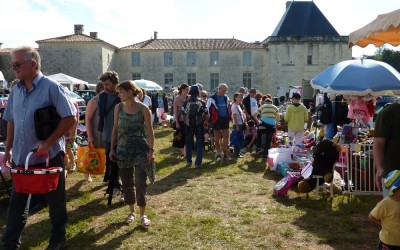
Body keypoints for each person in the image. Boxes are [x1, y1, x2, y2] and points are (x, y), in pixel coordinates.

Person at [2, 46, 76, 249]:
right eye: (12, 65)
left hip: (49, 158)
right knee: (18, 201)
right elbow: (11, 121)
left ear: (32, 64)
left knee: (55, 202)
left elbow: (70, 117)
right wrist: (8, 150)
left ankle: (58, 239)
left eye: (17, 65)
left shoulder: (52, 87)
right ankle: (10, 243)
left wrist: (48, 142)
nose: (13, 69)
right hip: (20, 157)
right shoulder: (15, 90)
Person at [109, 80, 154, 227]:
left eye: (121, 92)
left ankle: (143, 214)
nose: (119, 95)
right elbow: (115, 128)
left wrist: (151, 150)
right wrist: (112, 149)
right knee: (128, 183)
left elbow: (150, 131)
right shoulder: (118, 108)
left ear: (129, 92)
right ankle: (131, 211)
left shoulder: (143, 109)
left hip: (140, 149)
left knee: (141, 182)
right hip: (123, 150)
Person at [98, 71, 122, 199]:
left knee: (119, 162)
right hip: (107, 134)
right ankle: (115, 187)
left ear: (115, 83)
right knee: (111, 161)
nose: (105, 87)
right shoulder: (102, 97)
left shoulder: (123, 95)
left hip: (121, 134)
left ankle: (116, 187)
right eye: (103, 85)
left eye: (107, 84)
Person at [373, 100, 400, 197]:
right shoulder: (388, 113)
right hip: (395, 178)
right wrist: (379, 168)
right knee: (393, 211)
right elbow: (378, 144)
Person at [368, 170, 400, 249]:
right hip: (387, 242)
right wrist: (383, 224)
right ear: (396, 189)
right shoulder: (385, 204)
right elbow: (371, 216)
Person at [181, 85, 208, 168]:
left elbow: (183, 114)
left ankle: (189, 161)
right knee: (199, 143)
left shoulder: (186, 101)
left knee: (188, 143)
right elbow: (206, 113)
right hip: (199, 124)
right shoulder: (202, 102)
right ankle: (198, 163)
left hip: (189, 125)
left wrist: (186, 122)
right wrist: (206, 122)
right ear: (198, 92)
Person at [85, 82, 105, 182]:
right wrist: (90, 136)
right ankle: (87, 174)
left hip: (106, 132)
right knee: (91, 154)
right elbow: (87, 118)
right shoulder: (94, 101)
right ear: (100, 88)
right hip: (95, 132)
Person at [207, 83, 231, 162]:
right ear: (219, 89)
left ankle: (225, 153)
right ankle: (218, 152)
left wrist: (229, 116)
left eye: (226, 90)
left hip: (225, 119)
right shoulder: (212, 98)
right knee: (216, 138)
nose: (225, 92)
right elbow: (207, 109)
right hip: (216, 119)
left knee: (226, 137)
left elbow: (228, 107)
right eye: (224, 90)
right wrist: (208, 120)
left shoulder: (226, 97)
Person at [173, 83, 189, 158]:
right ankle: (183, 152)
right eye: (186, 90)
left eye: (188, 90)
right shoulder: (177, 98)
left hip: (188, 121)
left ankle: (185, 153)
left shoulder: (189, 98)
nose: (187, 91)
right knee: (180, 137)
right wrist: (176, 122)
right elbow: (175, 112)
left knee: (187, 137)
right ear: (182, 90)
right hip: (180, 120)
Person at [231, 92, 245, 158]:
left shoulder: (239, 105)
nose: (241, 98)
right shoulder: (234, 106)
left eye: (241, 97)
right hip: (237, 124)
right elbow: (234, 116)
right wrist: (236, 126)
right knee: (237, 139)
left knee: (240, 139)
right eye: (239, 97)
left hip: (240, 124)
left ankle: (238, 152)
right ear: (235, 98)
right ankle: (236, 153)